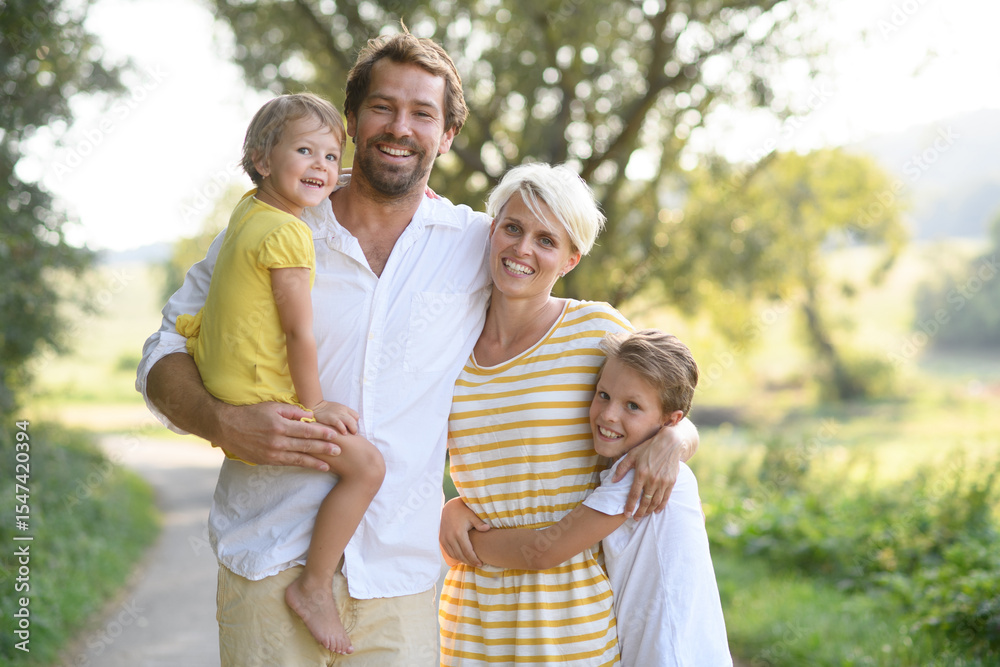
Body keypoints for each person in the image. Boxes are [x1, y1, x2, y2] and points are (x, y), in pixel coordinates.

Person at [137, 29, 689, 666]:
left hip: (399, 585)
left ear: (446, 135)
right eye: (383, 107)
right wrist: (220, 421)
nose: (400, 127)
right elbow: (163, 349)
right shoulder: (273, 225)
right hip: (268, 562)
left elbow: (641, 378)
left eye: (422, 113)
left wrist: (677, 438)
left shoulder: (475, 244)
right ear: (351, 121)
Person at [437, 164, 700, 665]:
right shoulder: (450, 336)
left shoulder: (595, 330)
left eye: (546, 240)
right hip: (470, 620)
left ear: (570, 259)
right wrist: (447, 512)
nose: (522, 249)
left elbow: (665, 410)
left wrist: (674, 441)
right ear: (492, 231)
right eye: (512, 228)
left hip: (569, 622)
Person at [174, 92, 385, 655]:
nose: (321, 166)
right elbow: (298, 333)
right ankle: (313, 587)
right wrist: (315, 406)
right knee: (366, 467)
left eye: (331, 156)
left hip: (223, 379)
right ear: (262, 159)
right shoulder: (291, 233)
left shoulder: (249, 211)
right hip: (258, 397)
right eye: (305, 152)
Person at [445, 330, 732, 666]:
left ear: (670, 421)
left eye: (633, 406)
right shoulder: (652, 470)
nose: (609, 414)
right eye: (604, 395)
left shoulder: (637, 478)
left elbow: (544, 551)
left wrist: (463, 540)